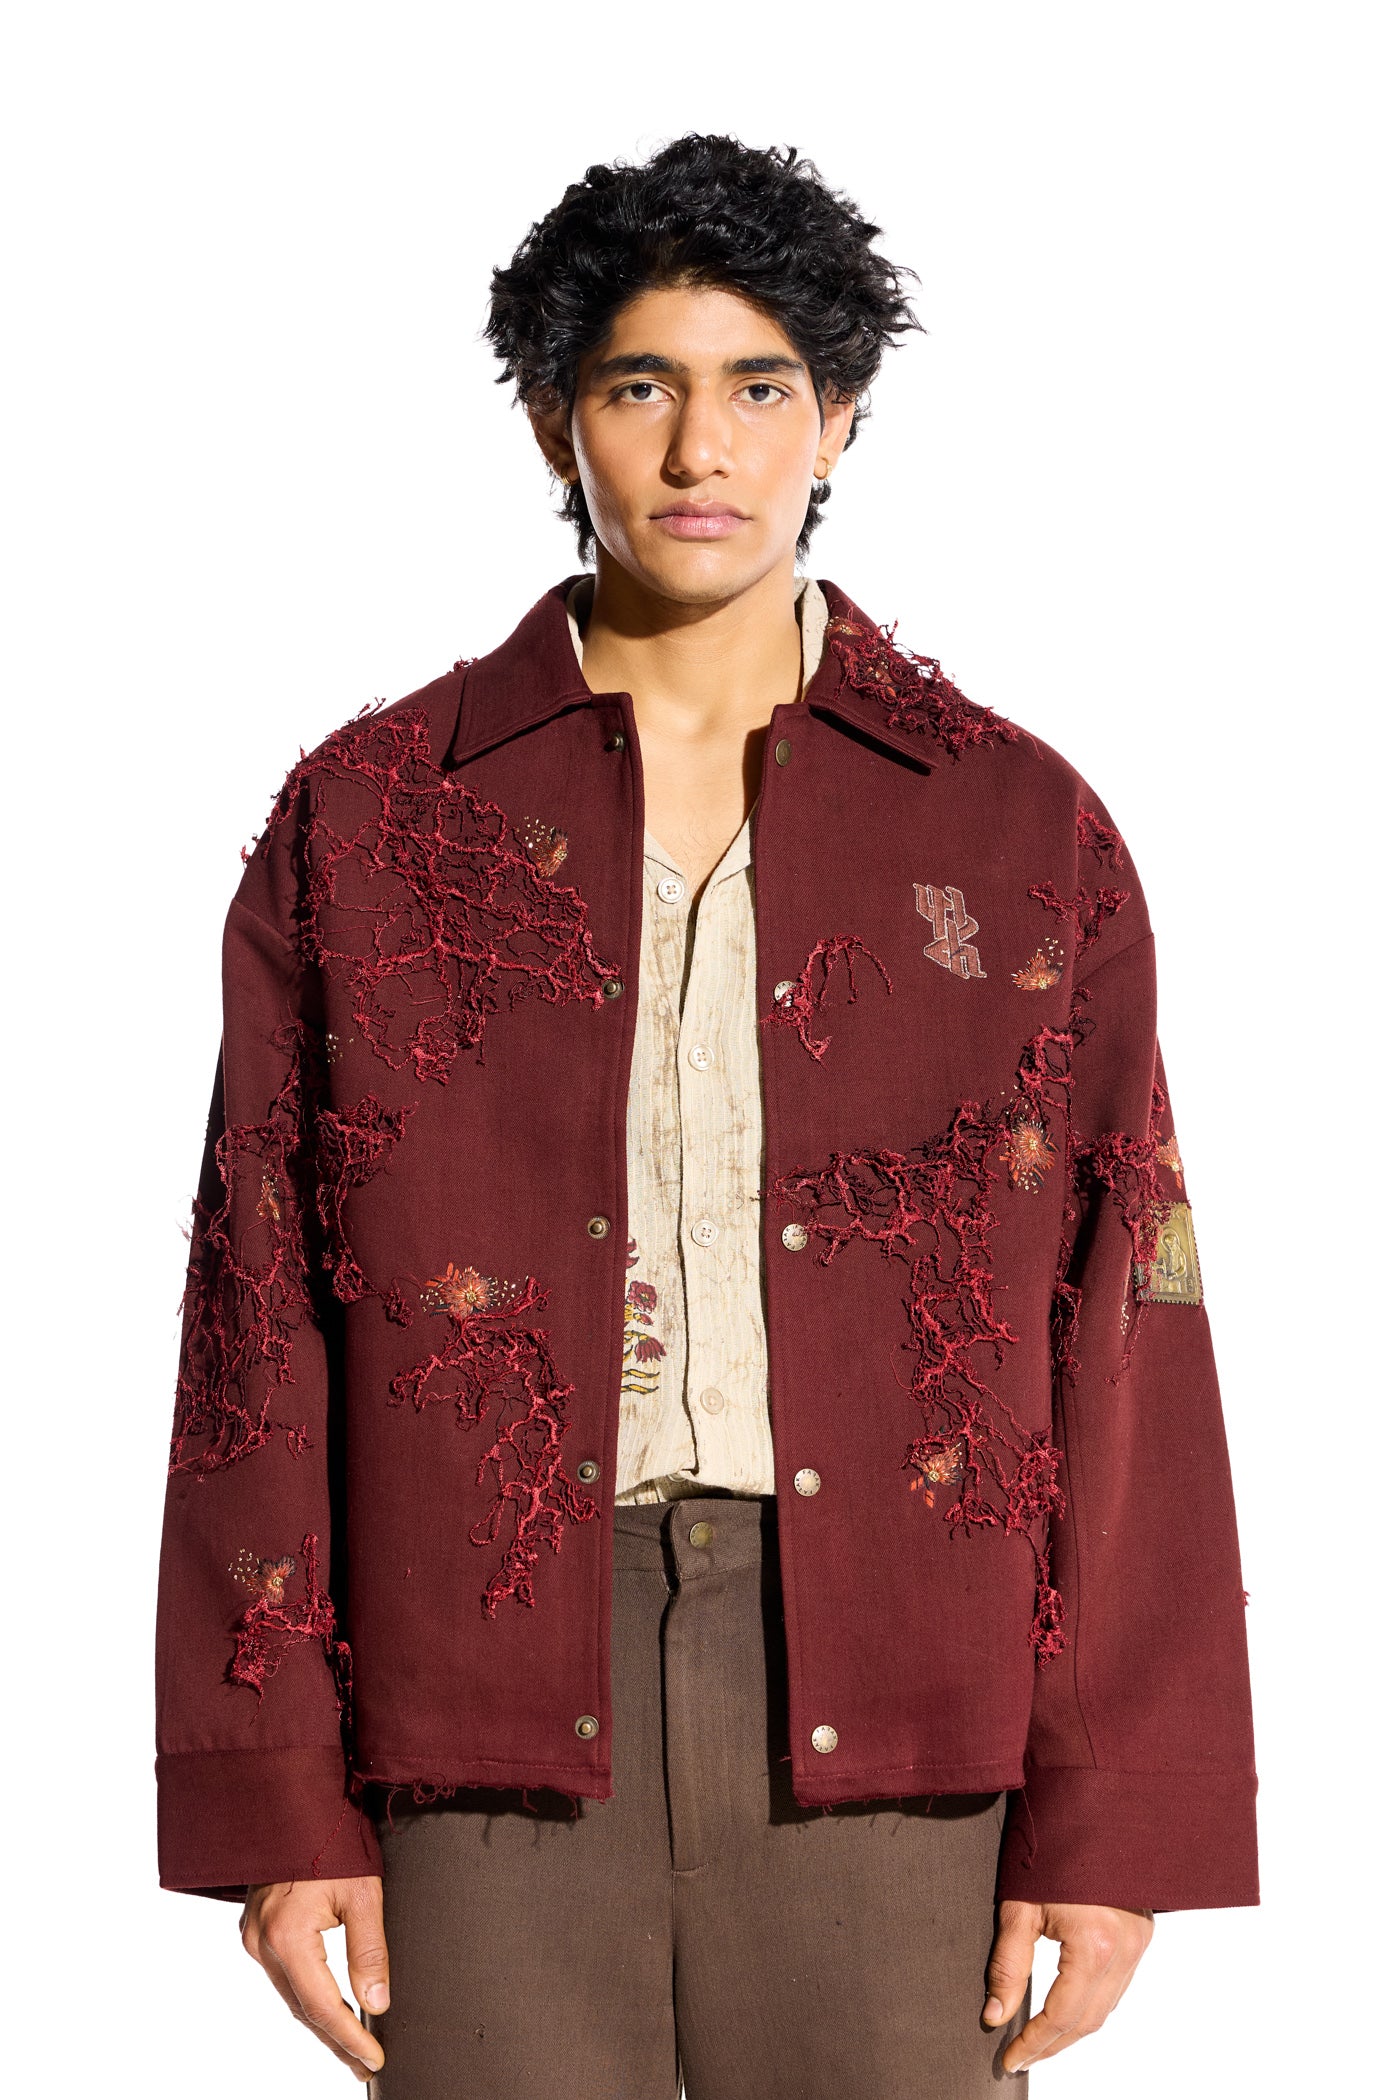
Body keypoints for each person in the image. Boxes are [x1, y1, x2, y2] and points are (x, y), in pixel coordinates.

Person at [154, 133, 1258, 2096]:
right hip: (474, 1707)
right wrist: (276, 1793)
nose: (700, 450)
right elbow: (258, 1317)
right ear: (549, 421)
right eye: (639, 386)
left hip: (902, 1704)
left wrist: (1117, 1816)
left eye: (759, 387)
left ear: (841, 418)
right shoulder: (371, 820)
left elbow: (1124, 1317)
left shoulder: (1015, 827)